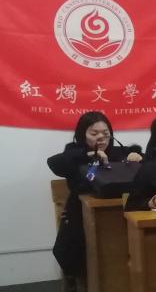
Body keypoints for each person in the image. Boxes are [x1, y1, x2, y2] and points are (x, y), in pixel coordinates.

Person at [47, 111, 143, 276]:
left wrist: (139, 157)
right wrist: (89, 155)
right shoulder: (74, 153)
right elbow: (54, 162)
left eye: (105, 133)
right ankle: (89, 280)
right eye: (94, 133)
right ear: (82, 134)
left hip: (119, 212)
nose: (101, 137)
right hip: (81, 213)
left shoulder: (119, 152)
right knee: (80, 246)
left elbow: (149, 167)